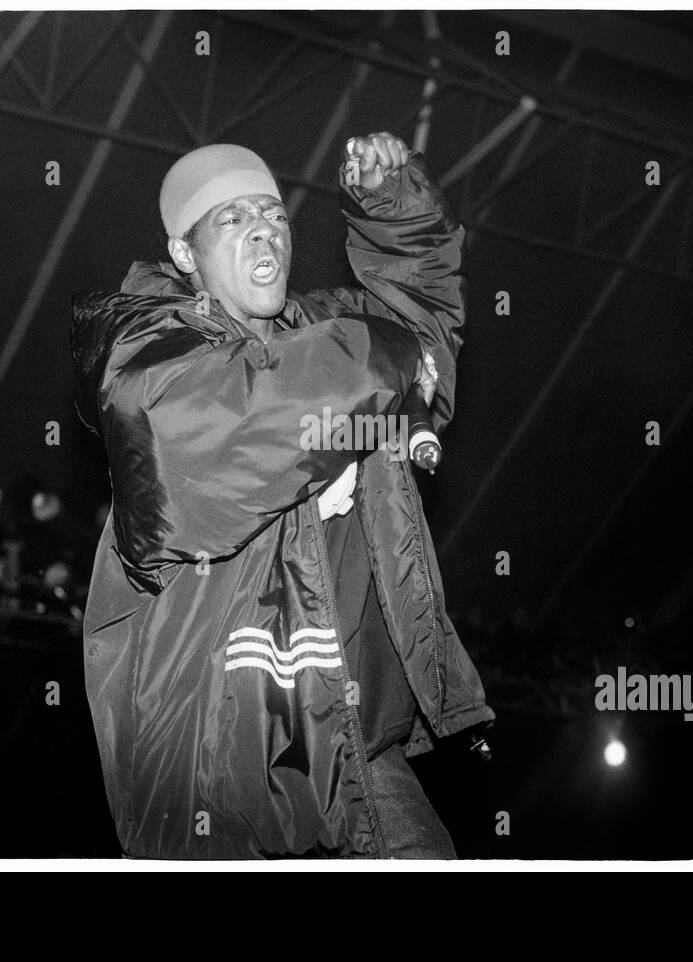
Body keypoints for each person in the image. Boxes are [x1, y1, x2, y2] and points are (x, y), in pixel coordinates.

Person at [70, 133, 493, 859]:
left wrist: (393, 206)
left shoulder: (325, 333)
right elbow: (216, 442)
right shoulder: (140, 352)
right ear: (183, 254)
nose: (263, 228)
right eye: (232, 219)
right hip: (219, 759)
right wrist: (385, 357)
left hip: (356, 753)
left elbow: (422, 338)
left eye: (273, 213)